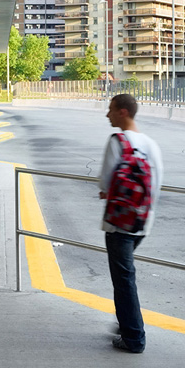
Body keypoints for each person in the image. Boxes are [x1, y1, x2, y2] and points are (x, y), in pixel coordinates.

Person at [97, 94, 163, 354]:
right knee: (126, 278)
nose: (107, 114)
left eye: (111, 110)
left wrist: (108, 191)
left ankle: (133, 337)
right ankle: (126, 323)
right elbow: (155, 186)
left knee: (124, 281)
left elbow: (104, 183)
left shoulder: (118, 141)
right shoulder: (150, 143)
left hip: (118, 224)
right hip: (142, 222)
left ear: (123, 112)